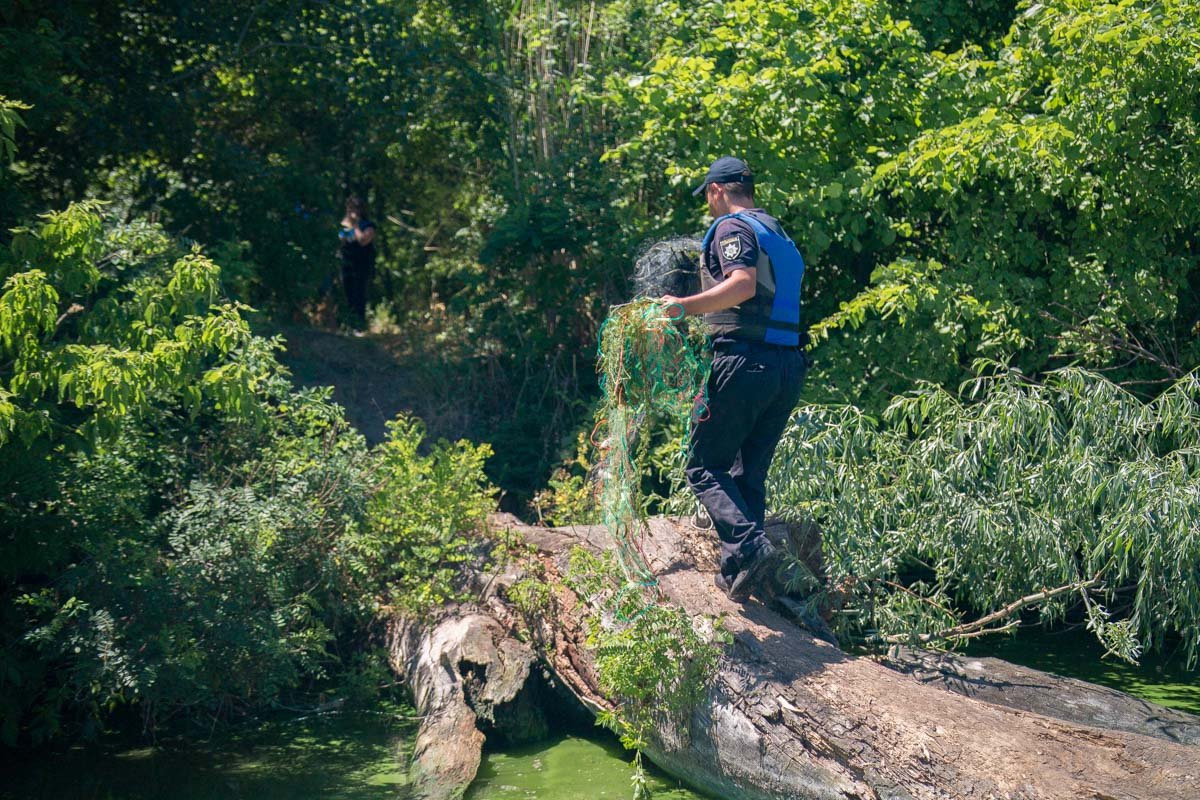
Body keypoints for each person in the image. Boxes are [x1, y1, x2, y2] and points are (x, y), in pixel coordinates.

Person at [662, 156, 808, 602]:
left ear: (717, 191)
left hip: (745, 361)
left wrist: (682, 306)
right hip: (787, 366)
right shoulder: (776, 232)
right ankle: (738, 572)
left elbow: (742, 285)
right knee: (748, 473)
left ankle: (748, 546)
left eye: (707, 196)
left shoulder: (732, 228)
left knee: (703, 465)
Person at [338, 195, 377, 331]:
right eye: (349, 208)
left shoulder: (368, 226)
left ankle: (360, 326)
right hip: (346, 264)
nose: (351, 211)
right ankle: (349, 325)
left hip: (362, 265)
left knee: (360, 294)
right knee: (347, 294)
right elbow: (339, 242)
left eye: (354, 208)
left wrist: (355, 225)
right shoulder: (343, 226)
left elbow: (363, 241)